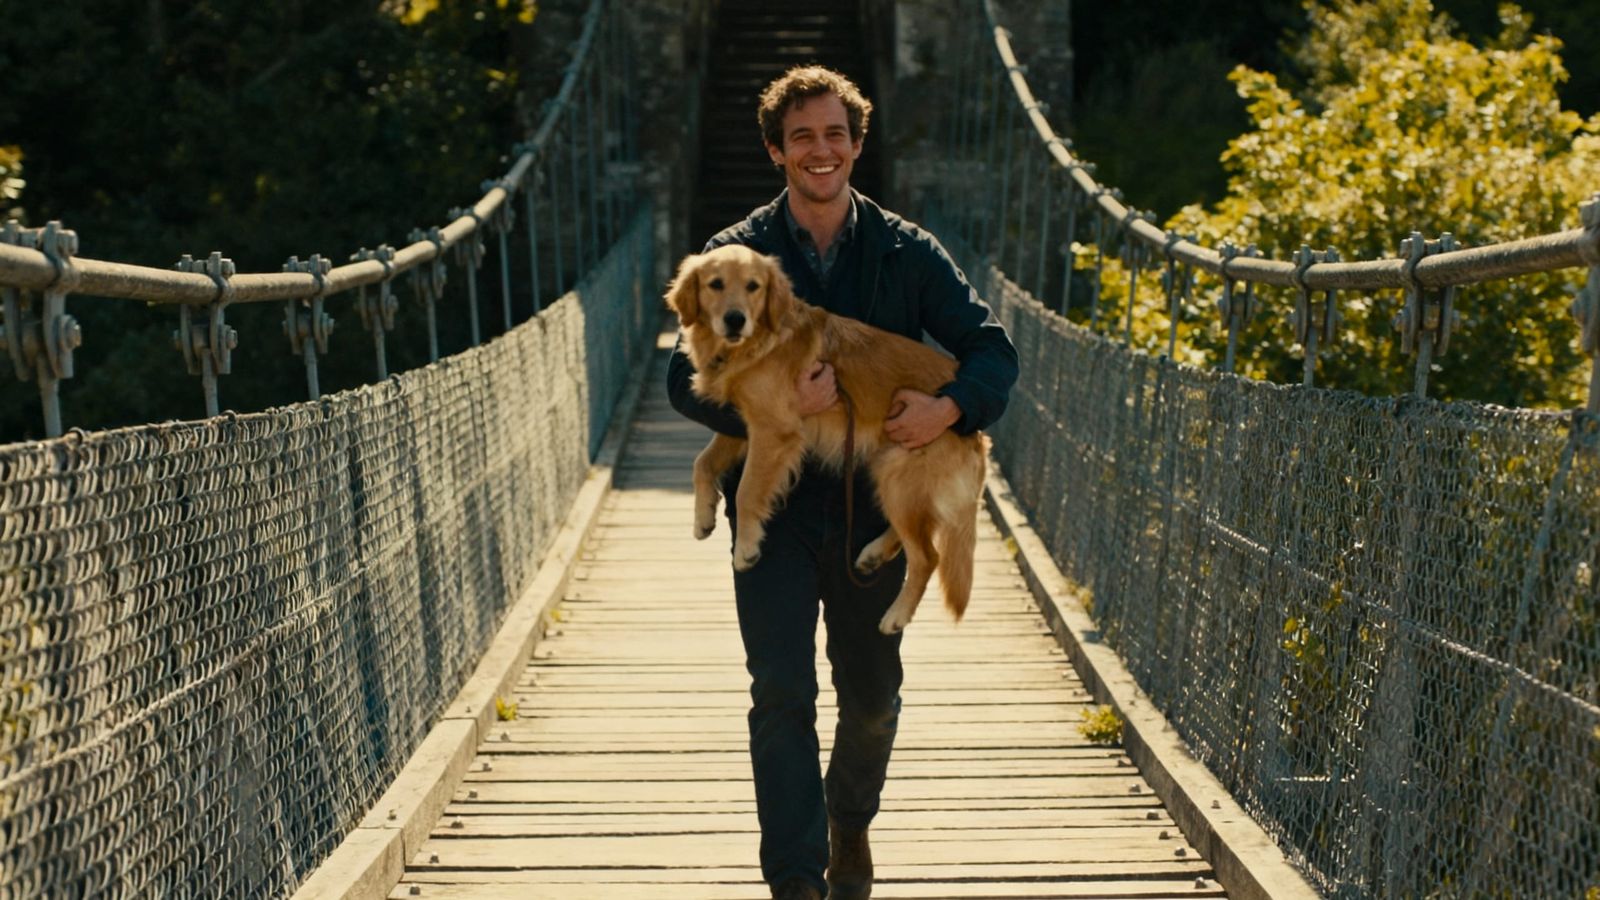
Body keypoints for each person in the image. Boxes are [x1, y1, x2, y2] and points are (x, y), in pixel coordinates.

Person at [666, 66, 1017, 900]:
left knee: (871, 699)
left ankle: (848, 822)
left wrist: (948, 409)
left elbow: (992, 351)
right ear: (776, 151)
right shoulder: (736, 254)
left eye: (834, 135)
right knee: (779, 692)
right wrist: (777, 405)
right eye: (801, 138)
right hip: (779, 511)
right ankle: (795, 879)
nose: (818, 151)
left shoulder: (907, 252)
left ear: (857, 145)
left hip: (870, 512)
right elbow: (683, 380)